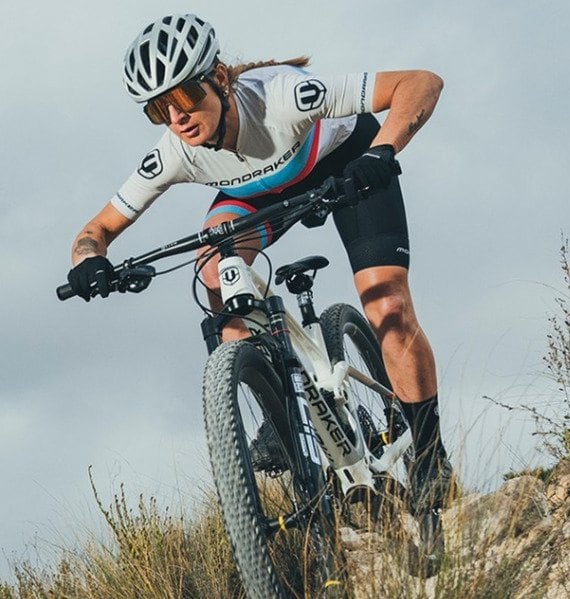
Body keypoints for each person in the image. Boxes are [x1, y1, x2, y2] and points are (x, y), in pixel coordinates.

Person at [66, 14, 453, 520]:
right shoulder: (174, 153)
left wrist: (382, 152)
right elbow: (95, 231)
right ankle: (275, 402)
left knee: (388, 305)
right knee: (212, 264)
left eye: (183, 98)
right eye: (159, 109)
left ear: (220, 79)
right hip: (259, 192)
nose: (176, 118)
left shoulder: (285, 97)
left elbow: (421, 82)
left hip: (342, 162)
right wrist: (89, 262)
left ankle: (429, 456)